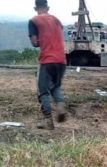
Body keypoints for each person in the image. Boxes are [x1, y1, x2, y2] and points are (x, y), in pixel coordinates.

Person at [28, 0, 67, 130]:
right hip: (61, 60)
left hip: (47, 60)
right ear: (48, 7)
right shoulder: (57, 20)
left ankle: (48, 121)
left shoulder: (34, 20)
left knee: (42, 90)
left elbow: (34, 43)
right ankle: (60, 107)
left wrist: (40, 40)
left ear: (35, 8)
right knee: (54, 86)